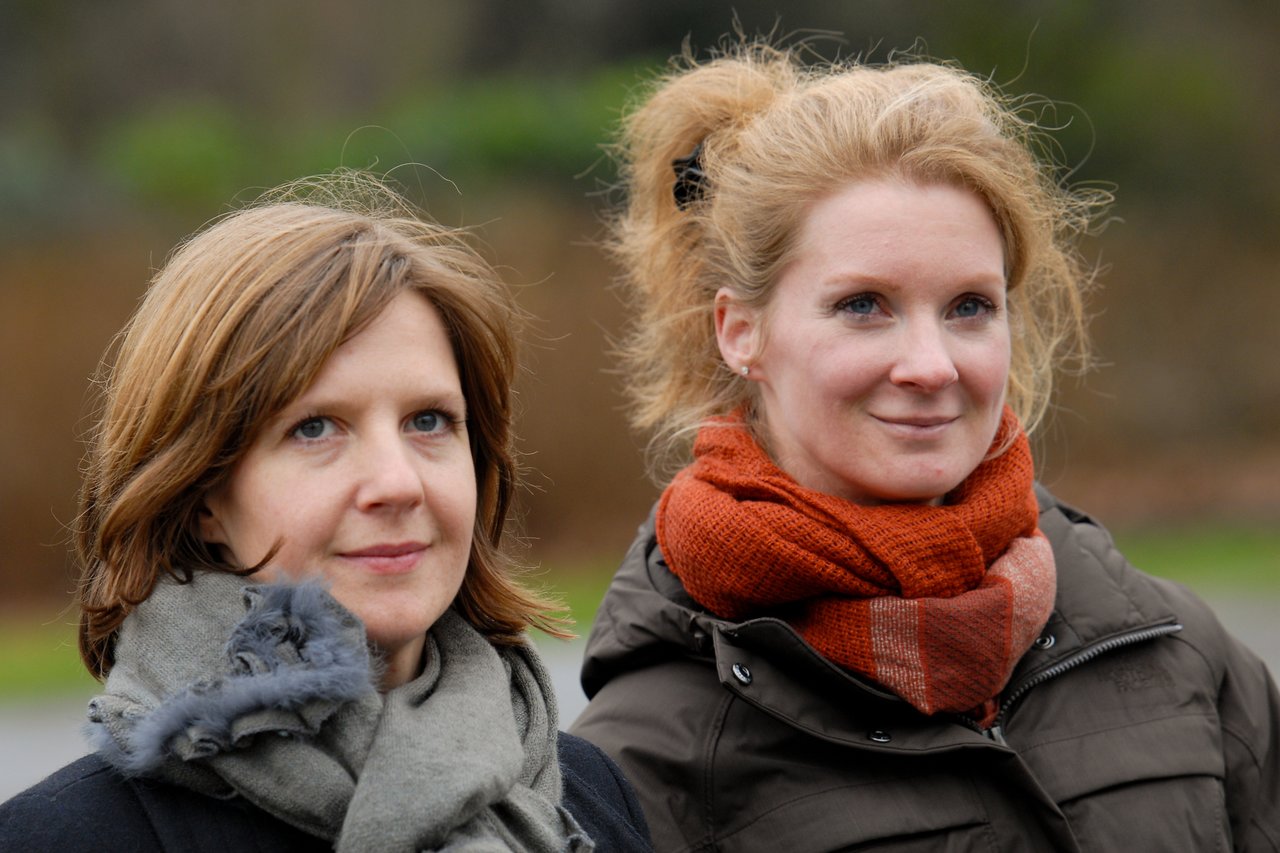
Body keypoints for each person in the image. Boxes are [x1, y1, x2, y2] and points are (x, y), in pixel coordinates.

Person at [569, 41, 1280, 851]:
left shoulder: (1172, 647)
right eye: (865, 305)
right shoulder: (645, 760)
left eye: (970, 306)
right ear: (741, 332)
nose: (932, 365)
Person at [0, 172, 651, 852]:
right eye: (316, 429)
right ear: (200, 497)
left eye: (429, 420)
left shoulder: (592, 795)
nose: (397, 483)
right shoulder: (66, 837)